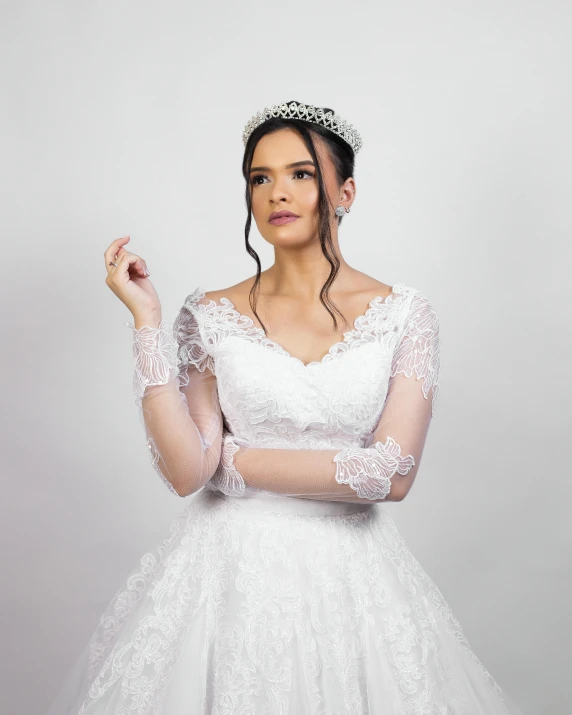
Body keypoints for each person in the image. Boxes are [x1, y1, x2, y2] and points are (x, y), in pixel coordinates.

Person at [45, 101, 524, 714]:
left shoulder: (406, 314)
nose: (277, 192)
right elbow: (188, 471)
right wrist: (148, 324)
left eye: (301, 174)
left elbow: (393, 473)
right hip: (226, 583)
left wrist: (237, 462)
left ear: (344, 191)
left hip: (353, 582)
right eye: (260, 177)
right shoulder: (207, 313)